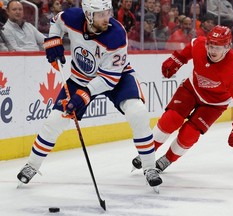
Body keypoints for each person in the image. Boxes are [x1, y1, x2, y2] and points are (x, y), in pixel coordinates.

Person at [17, 0, 162, 189]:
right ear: (88, 15)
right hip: (80, 77)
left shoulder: (117, 34)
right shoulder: (72, 17)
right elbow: (56, 22)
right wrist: (53, 41)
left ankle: (150, 167)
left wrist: (84, 95)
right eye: (100, 14)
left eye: (107, 12)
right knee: (55, 120)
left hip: (116, 77)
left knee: (138, 112)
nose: (106, 18)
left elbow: (109, 78)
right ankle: (32, 165)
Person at [132, 25, 233, 173]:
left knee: (189, 134)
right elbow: (190, 48)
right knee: (171, 119)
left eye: (218, 48)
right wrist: (177, 59)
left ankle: (167, 159)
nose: (212, 51)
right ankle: (147, 152)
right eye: (210, 46)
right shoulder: (199, 45)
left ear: (227, 47)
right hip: (191, 89)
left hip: (214, 104)